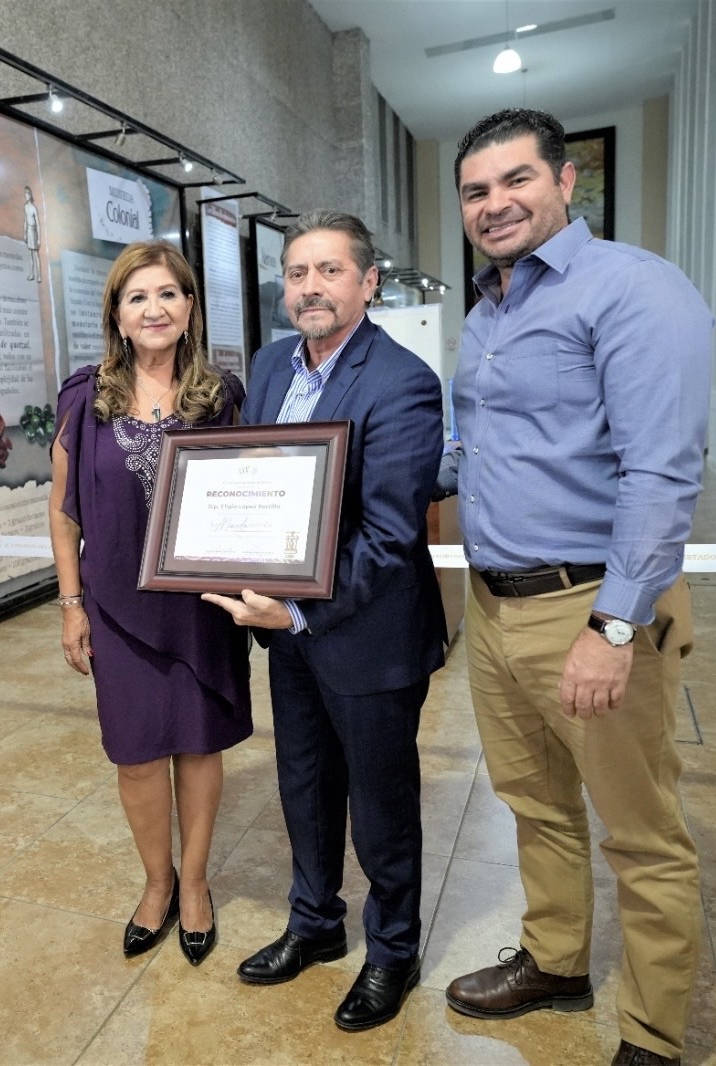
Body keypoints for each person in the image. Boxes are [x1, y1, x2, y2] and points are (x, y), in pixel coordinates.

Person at [441, 108, 712, 1066]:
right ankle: (556, 963)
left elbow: (660, 474)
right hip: (493, 603)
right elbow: (478, 449)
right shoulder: (487, 313)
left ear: (564, 182)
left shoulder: (634, 289)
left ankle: (652, 1033)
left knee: (640, 832)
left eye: (515, 179)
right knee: (534, 800)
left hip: (587, 603)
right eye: (475, 190)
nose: (494, 203)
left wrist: (612, 627)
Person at [204, 210, 447, 1032]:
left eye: (329, 271)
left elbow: (388, 534)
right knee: (304, 785)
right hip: (286, 631)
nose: (310, 287)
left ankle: (392, 951)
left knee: (380, 806)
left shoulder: (402, 381)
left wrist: (298, 607)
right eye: (297, 272)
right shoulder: (270, 366)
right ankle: (313, 924)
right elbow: (252, 484)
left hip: (367, 634)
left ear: (367, 283)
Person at [49, 240, 251, 966]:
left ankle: (193, 885)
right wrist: (71, 603)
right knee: (135, 755)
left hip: (201, 606)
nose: (153, 308)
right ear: (117, 314)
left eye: (168, 293)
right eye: (137, 297)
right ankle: (156, 882)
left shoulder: (222, 395)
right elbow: (63, 511)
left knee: (198, 746)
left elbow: (251, 492)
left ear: (190, 307)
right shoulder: (84, 397)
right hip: (116, 608)